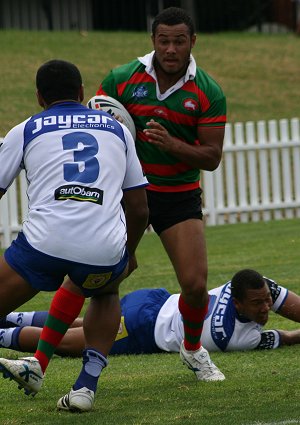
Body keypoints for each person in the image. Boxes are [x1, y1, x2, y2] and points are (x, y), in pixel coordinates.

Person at [0, 59, 149, 413]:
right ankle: (86, 385)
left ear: (39, 97)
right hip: (103, 249)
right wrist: (127, 254)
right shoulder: (117, 130)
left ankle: (36, 366)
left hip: (43, 245)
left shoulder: (26, 129)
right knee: (106, 290)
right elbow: (141, 209)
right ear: (83, 94)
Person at [95, 6, 227, 381]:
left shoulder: (207, 91)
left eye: (179, 41)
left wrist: (171, 144)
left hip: (178, 195)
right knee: (102, 278)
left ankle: (191, 347)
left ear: (192, 42)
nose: (171, 49)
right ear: (153, 41)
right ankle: (65, 359)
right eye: (164, 41)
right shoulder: (122, 79)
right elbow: (101, 127)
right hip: (128, 193)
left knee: (196, 285)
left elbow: (212, 157)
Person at [3, 270, 298, 357]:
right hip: (144, 326)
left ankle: (13, 317)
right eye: (258, 303)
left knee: (85, 323)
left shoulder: (235, 286)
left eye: (266, 302)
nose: (266, 308)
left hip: (154, 300)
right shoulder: (239, 337)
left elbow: (271, 296)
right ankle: (3, 335)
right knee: (70, 342)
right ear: (237, 304)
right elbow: (285, 337)